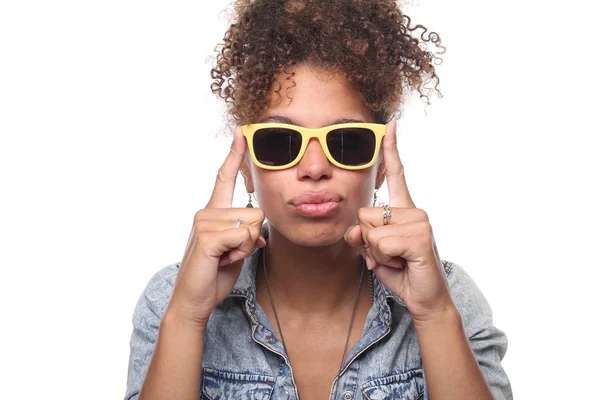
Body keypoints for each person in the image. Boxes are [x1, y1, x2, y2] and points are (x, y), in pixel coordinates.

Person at [124, 0, 512, 399]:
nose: (314, 167)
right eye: (280, 142)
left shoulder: (450, 298)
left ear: (381, 162)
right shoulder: (171, 299)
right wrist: (187, 316)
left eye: (346, 141)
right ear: (245, 166)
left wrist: (434, 314)